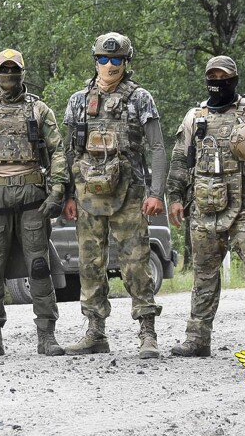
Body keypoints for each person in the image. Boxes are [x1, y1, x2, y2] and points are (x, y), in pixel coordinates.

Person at [167, 55, 245, 357]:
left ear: (234, 79)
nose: (217, 82)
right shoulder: (194, 118)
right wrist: (174, 197)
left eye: (223, 76)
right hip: (204, 207)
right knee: (203, 275)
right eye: (212, 76)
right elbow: (179, 160)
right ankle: (197, 339)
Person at [62, 32, 167, 359]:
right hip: (87, 194)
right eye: (104, 59)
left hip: (130, 193)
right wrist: (68, 194)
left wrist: (156, 192)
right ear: (95, 60)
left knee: (136, 262)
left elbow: (159, 147)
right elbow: (68, 151)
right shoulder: (78, 100)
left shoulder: (140, 98)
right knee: (90, 263)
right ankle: (95, 331)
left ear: (126, 62)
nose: (110, 65)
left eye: (117, 59)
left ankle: (147, 332)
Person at [0, 48, 68, 358]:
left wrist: (57, 191)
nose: (9, 74)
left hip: (33, 195)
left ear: (23, 71)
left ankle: (47, 334)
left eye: (14, 68)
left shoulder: (39, 110)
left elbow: (58, 151)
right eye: (3, 69)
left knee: (39, 265)